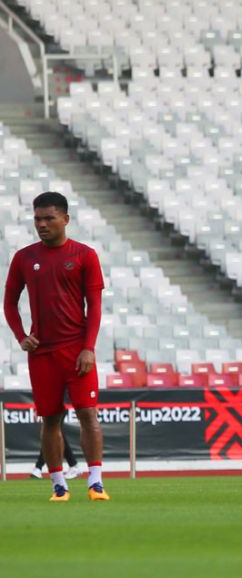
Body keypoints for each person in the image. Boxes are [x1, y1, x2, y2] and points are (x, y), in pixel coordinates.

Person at [3, 192, 110, 502]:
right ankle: (58, 484)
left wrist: (88, 347)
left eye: (49, 218)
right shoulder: (24, 258)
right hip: (43, 354)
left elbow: (95, 306)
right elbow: (9, 302)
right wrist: (21, 334)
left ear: (65, 219)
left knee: (88, 414)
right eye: (38, 218)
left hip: (77, 350)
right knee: (50, 419)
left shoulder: (85, 255)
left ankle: (96, 482)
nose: (42, 224)